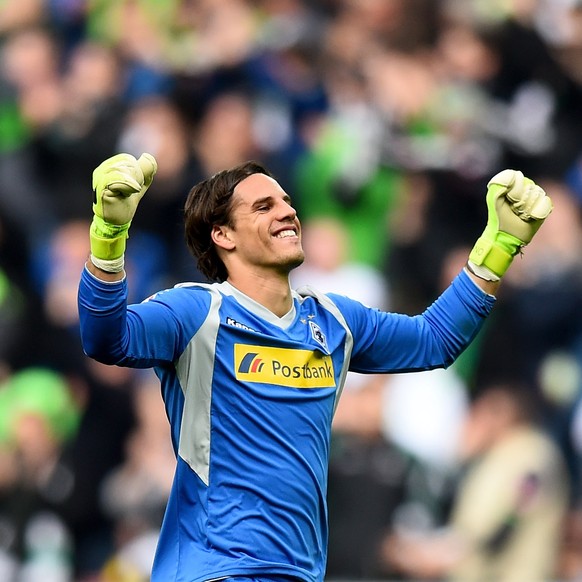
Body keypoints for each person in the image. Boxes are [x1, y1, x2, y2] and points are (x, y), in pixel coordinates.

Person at [77, 152, 552, 581]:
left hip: (299, 573)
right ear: (222, 235)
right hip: (215, 570)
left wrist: (499, 246)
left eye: (286, 201)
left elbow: (434, 340)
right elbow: (106, 338)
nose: (287, 211)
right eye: (263, 207)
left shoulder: (334, 320)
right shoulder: (195, 313)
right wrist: (109, 236)